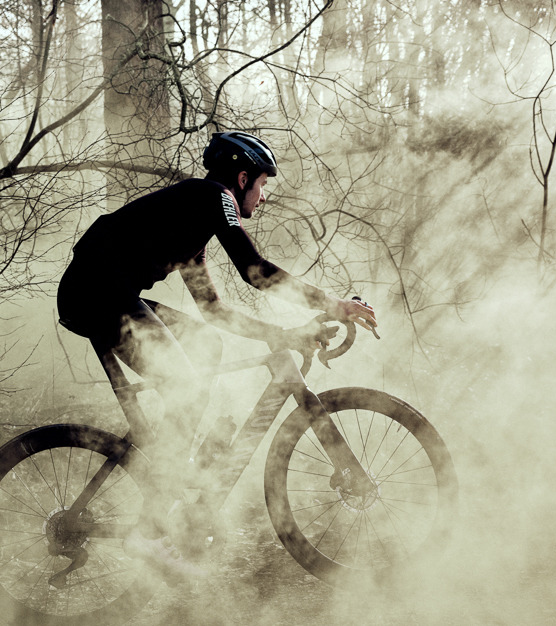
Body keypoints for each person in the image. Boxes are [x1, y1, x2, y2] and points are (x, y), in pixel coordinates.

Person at [56, 131, 377, 581]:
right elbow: (255, 270)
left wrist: (278, 334)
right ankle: (148, 530)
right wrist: (332, 304)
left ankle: (174, 456)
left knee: (207, 344)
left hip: (102, 292)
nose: (262, 198)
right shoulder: (212, 195)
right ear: (242, 177)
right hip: (94, 294)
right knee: (186, 387)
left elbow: (214, 310)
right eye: (262, 185)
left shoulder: (190, 226)